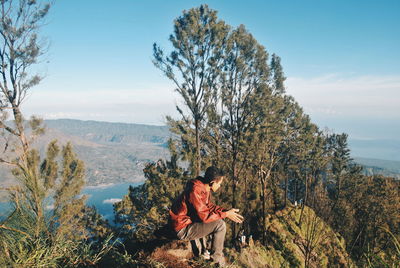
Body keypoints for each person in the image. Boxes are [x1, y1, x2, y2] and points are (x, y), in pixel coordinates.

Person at [169, 166, 244, 266]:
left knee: (217, 221)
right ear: (212, 183)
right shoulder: (195, 190)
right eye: (219, 184)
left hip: (185, 223)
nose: (220, 186)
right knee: (220, 225)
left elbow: (208, 206)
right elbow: (204, 216)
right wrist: (225, 214)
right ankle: (216, 261)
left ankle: (204, 253)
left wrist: (226, 211)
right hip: (181, 228)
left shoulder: (203, 188)